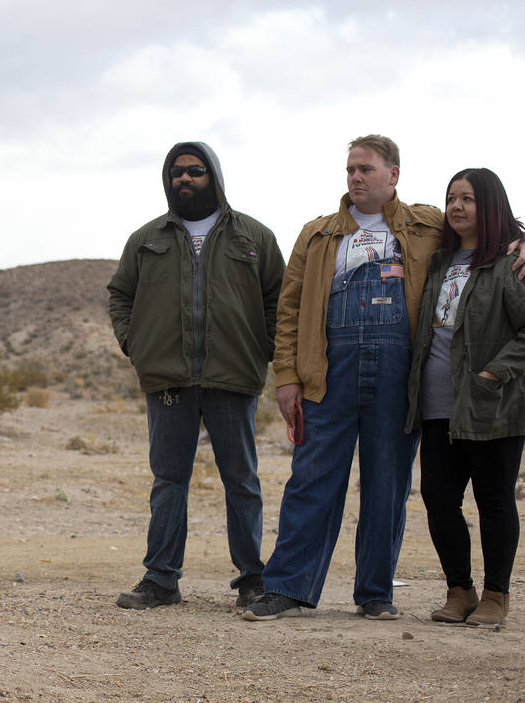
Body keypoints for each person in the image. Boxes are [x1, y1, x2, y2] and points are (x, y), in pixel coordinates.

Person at [243, 134, 441, 622]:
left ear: (393, 174)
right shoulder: (318, 234)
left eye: (366, 169)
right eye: (351, 169)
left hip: (398, 373)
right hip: (327, 371)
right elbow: (289, 309)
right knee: (311, 479)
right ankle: (287, 587)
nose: (355, 177)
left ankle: (375, 592)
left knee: (387, 483)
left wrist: (519, 238)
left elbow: (487, 230)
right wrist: (286, 376)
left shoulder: (428, 226)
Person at [108, 142, 285, 610]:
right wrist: (135, 345)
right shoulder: (147, 239)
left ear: (214, 176)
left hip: (234, 376)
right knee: (169, 481)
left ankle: (252, 578)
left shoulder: (254, 237)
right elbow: (120, 295)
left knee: (241, 480)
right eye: (176, 171)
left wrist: (262, 348)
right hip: (169, 380)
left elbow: (279, 299)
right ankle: (161, 579)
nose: (184, 178)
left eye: (195, 170)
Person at [406, 168, 525, 627]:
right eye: (451, 198)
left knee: (494, 500)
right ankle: (459, 590)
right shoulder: (439, 262)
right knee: (439, 498)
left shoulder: (510, 263)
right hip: (438, 405)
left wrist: (495, 372)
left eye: (468, 199)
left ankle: (496, 595)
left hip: (492, 404)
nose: (456, 207)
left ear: (490, 205)